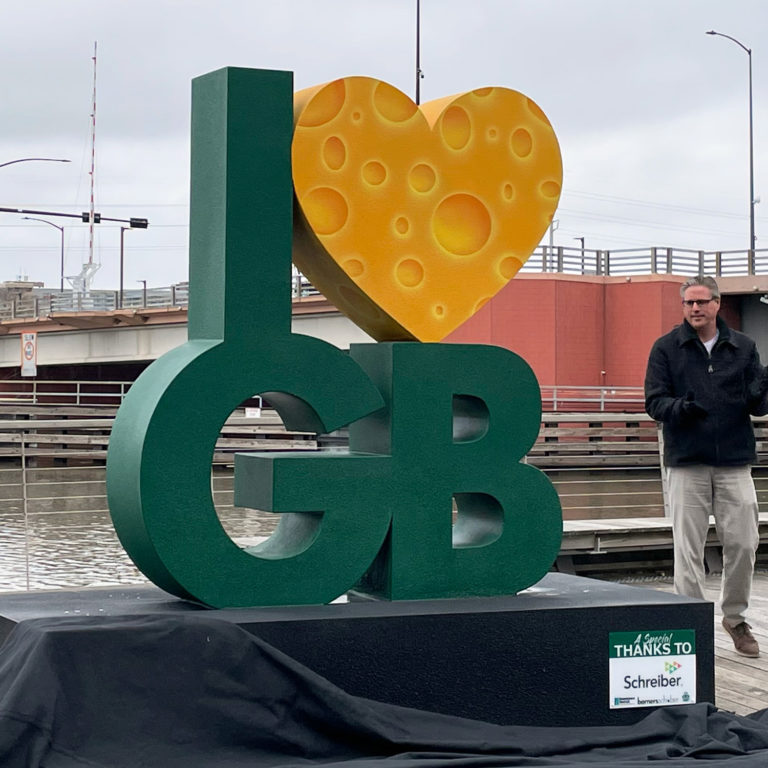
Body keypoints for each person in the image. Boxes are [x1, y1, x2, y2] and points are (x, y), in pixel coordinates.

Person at [645, 275, 768, 658]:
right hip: (686, 462)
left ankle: (735, 617)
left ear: (717, 304)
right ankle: (691, 621)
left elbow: (757, 405)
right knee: (688, 547)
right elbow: (654, 402)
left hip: (733, 460)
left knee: (745, 543)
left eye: (701, 302)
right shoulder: (666, 348)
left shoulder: (743, 348)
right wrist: (682, 408)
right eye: (688, 303)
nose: (695, 309)